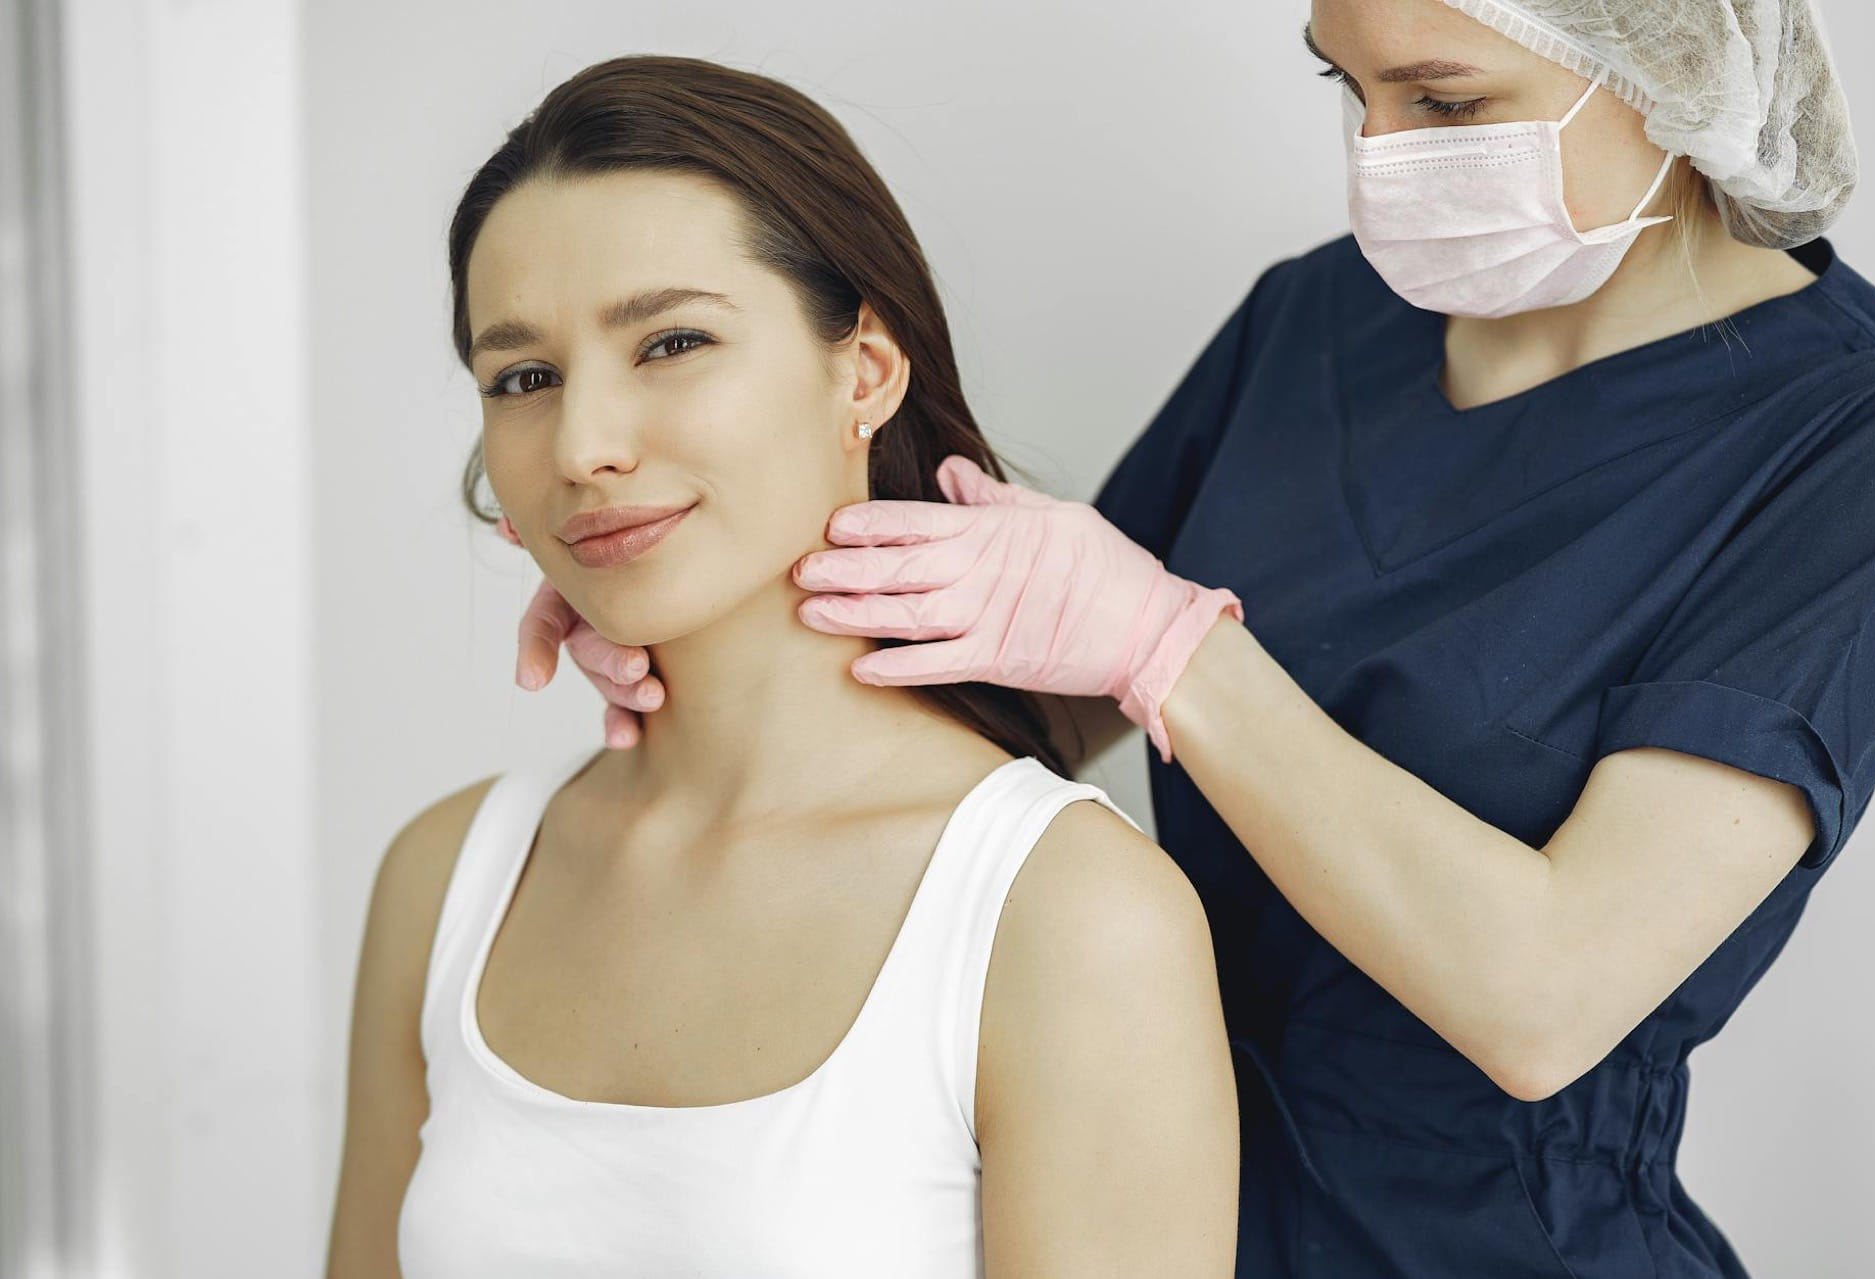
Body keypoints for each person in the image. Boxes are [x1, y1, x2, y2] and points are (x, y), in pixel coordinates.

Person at [513, 1, 1875, 1275]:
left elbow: (1543, 997)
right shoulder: (1319, 318)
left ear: (1673, 66)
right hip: (1146, 1202)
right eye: (1346, 87)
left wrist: (1175, 646)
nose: (1380, 154)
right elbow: (1027, 707)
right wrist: (707, 594)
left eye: (1443, 101)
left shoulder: (1857, 441)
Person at [323, 55, 1240, 1279]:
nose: (584, 447)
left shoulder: (1069, 914)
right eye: (525, 378)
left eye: (672, 341)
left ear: (865, 372)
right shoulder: (448, 879)